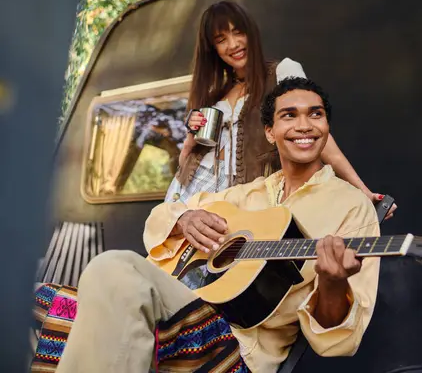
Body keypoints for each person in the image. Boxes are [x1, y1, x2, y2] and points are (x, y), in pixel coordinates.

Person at [30, 77, 380, 373]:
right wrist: (184, 218)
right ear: (271, 132)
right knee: (36, 298)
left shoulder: (351, 207)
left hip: (236, 351)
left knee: (111, 269)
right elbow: (161, 217)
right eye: (290, 116)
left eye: (314, 115)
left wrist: (334, 283)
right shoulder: (246, 194)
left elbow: (339, 340)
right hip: (188, 308)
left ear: (326, 127)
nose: (304, 125)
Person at [165, 0, 396, 219]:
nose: (233, 44)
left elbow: (315, 134)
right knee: (173, 256)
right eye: (221, 39)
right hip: (194, 186)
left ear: (251, 33)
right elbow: (188, 157)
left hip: (249, 192)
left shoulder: (282, 71)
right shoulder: (216, 92)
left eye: (238, 32)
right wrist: (190, 138)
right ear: (213, 48)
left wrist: (363, 191)